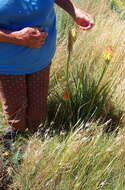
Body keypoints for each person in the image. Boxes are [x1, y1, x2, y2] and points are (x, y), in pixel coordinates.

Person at [0, 0, 94, 147]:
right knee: (16, 114)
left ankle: (37, 143)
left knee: (38, 112)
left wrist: (74, 11)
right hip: (8, 65)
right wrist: (15, 37)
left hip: (41, 58)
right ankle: (16, 143)